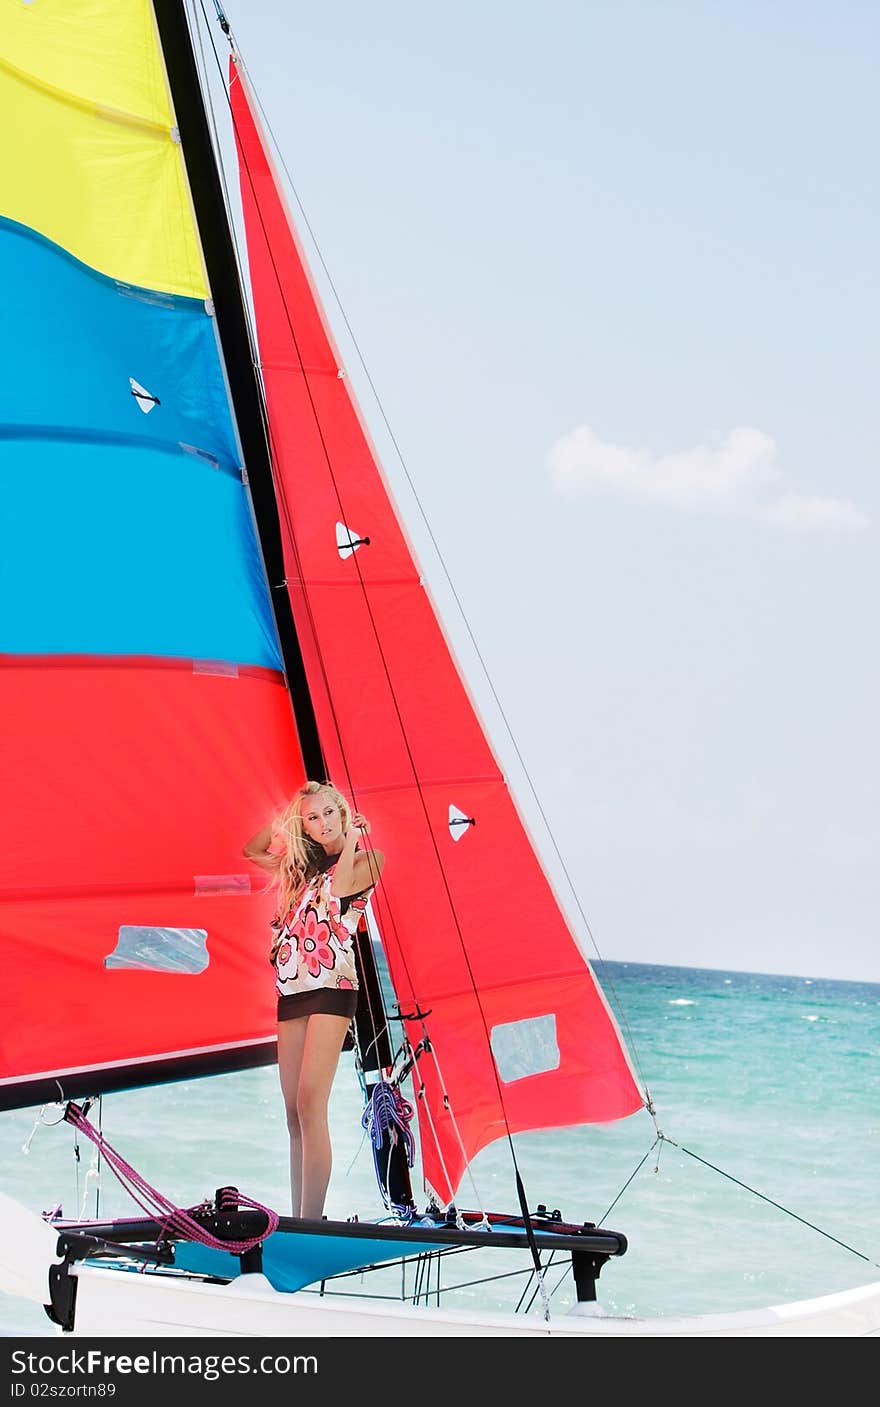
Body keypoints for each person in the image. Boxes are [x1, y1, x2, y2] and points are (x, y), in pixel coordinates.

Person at [243, 780, 384, 1219]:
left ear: (343, 813)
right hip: (292, 989)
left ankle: (311, 1220)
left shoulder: (367, 859)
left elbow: (342, 890)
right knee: (291, 1111)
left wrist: (353, 840)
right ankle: (296, 1216)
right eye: (313, 817)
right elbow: (253, 850)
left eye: (328, 813)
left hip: (333, 988)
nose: (322, 823)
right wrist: (287, 816)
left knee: (310, 1101)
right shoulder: (299, 868)